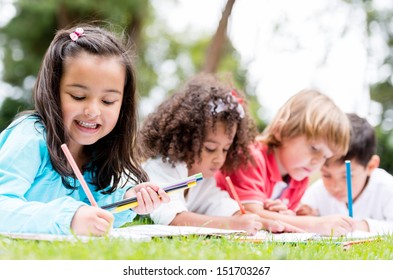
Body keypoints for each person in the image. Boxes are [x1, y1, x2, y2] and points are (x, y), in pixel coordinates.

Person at [0, 24, 169, 236]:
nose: (92, 111)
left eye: (108, 101)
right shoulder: (31, 137)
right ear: (53, 90)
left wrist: (127, 201)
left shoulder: (96, 150)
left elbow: (91, 209)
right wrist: (69, 218)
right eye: (78, 97)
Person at [138, 74, 293, 235]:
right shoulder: (161, 169)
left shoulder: (202, 180)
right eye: (210, 148)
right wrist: (233, 224)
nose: (219, 158)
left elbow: (222, 206)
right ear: (185, 139)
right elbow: (175, 220)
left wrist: (264, 222)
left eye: (226, 149)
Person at [216, 89, 356, 236]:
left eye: (326, 157)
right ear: (282, 130)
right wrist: (316, 224)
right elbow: (250, 214)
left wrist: (288, 216)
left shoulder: (299, 178)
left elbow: (276, 221)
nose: (317, 162)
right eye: (314, 148)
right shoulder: (250, 157)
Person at [297, 113, 393, 234]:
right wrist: (306, 216)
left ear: (370, 166)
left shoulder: (387, 188)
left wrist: (361, 226)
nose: (336, 186)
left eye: (347, 176)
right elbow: (302, 218)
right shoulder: (318, 191)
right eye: (327, 175)